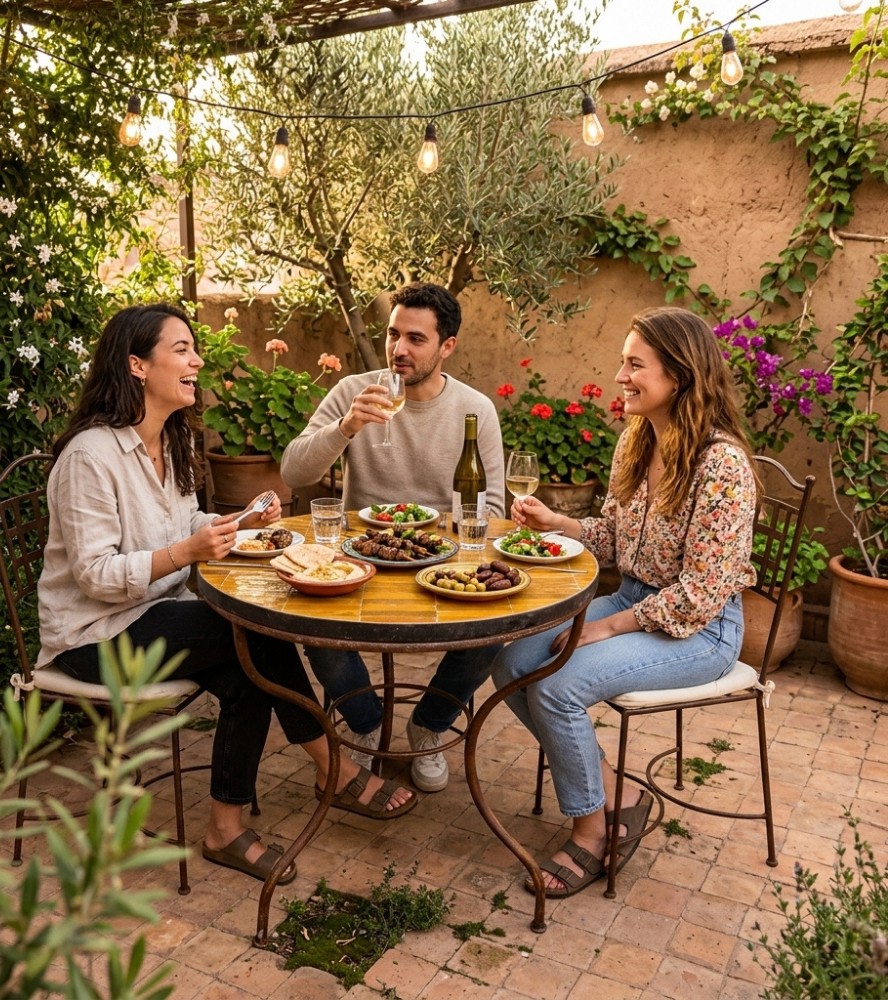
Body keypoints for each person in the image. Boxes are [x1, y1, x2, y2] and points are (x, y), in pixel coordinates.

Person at [37, 303, 416, 887]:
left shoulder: (174, 442)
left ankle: (225, 828)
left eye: (195, 349)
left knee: (249, 666)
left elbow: (187, 523)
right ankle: (334, 771)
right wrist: (189, 553)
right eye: (181, 349)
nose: (197, 360)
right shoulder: (90, 457)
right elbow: (94, 575)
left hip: (158, 615)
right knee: (251, 633)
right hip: (94, 636)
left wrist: (240, 522)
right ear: (137, 366)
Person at [490, 306, 756, 898]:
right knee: (510, 664)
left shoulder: (721, 464)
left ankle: (591, 831)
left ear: (680, 375)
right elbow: (614, 537)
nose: (619, 377)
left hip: (701, 630)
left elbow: (702, 593)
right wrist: (555, 521)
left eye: (635, 365)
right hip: (636, 599)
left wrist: (603, 631)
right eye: (622, 362)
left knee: (558, 686)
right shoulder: (638, 441)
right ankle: (621, 793)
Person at [281, 282, 505, 792]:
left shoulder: (476, 408)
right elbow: (294, 472)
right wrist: (344, 427)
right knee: (319, 630)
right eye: (392, 334)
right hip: (362, 558)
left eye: (416, 339)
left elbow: (491, 508)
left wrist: (448, 542)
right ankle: (369, 728)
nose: (398, 349)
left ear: (447, 346)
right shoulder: (354, 392)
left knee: (494, 630)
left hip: (440, 557)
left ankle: (427, 727)